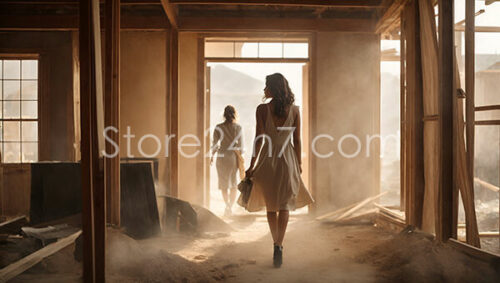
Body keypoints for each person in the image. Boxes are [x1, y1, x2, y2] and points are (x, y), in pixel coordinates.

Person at [245, 73, 314, 268]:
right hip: (287, 160)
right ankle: (279, 244)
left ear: (273, 88)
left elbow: (258, 139)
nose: (264, 90)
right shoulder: (294, 110)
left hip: (267, 160)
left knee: (271, 205)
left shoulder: (262, 109)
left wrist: (251, 165)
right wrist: (298, 163)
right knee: (284, 204)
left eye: (266, 86)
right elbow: (297, 140)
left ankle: (275, 241)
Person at [211, 105, 244, 217]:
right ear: (234, 114)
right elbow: (240, 146)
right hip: (232, 157)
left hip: (221, 156)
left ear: (224, 114)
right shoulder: (238, 128)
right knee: (233, 183)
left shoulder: (218, 127)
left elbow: (215, 144)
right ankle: (230, 205)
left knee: (223, 182)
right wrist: (241, 160)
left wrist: (211, 156)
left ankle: (227, 205)